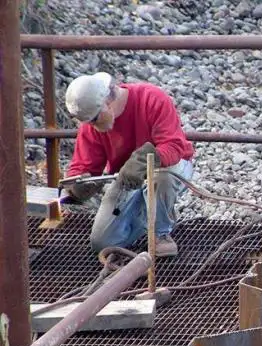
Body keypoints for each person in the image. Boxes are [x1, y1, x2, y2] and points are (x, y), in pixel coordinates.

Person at [61, 72, 195, 257]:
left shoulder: (151, 98)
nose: (91, 126)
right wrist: (79, 185)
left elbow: (174, 147)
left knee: (161, 177)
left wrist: (148, 158)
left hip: (168, 168)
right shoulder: (92, 125)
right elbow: (83, 167)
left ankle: (160, 233)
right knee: (103, 243)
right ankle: (149, 213)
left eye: (93, 120)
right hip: (127, 179)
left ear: (107, 103)